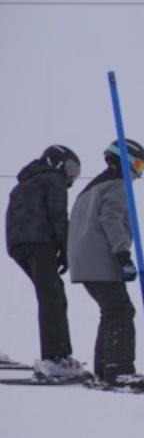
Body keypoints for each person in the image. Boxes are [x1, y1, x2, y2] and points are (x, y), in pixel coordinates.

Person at [68, 139, 144, 388]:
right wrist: (123, 254)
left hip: (83, 262)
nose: (138, 173)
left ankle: (105, 369)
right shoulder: (117, 184)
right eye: (137, 164)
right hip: (101, 260)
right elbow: (111, 219)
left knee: (112, 311)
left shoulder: (90, 189)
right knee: (121, 311)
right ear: (123, 160)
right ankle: (119, 370)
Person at [5, 145, 86, 380]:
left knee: (50, 292)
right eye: (70, 169)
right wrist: (66, 249)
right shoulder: (53, 179)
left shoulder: (24, 183)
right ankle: (55, 356)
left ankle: (57, 354)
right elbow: (58, 216)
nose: (71, 177)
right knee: (53, 296)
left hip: (19, 246)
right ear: (56, 162)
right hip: (40, 241)